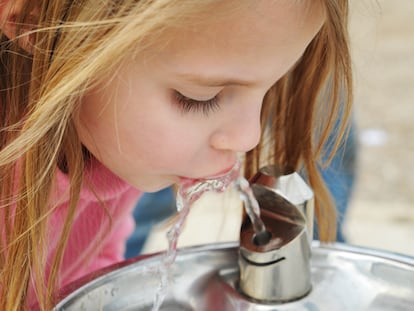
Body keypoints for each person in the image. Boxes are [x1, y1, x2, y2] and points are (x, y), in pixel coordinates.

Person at [0, 1, 353, 310]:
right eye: (200, 98)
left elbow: (93, 267)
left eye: (272, 87)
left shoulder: (112, 140)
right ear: (42, 31)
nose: (249, 138)